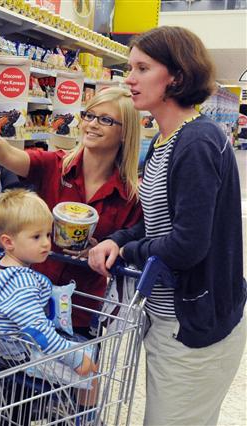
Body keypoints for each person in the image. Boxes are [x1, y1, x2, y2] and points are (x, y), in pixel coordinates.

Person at [88, 26, 246, 426]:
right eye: (130, 68)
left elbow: (188, 244)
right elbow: (154, 222)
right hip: (166, 317)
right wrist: (118, 239)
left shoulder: (197, 142)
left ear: (175, 76)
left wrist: (126, 251)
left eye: (142, 68)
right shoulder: (163, 142)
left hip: (195, 323)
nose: (129, 78)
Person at [0, 87, 143, 338]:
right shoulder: (55, 165)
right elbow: (13, 157)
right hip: (28, 300)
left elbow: (134, 238)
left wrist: (108, 246)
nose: (93, 124)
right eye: (89, 116)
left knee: (73, 372)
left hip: (80, 308)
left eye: (106, 120)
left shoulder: (129, 194)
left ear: (125, 133)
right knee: (16, 376)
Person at [0, 189, 97, 374]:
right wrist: (76, 359)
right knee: (93, 367)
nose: (47, 243)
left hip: (1, 354)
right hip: (24, 359)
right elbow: (38, 331)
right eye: (36, 237)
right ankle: (85, 402)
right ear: (8, 242)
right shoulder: (21, 284)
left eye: (48, 234)